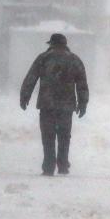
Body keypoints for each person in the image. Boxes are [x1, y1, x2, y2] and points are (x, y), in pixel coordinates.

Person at [20, 33, 89, 176]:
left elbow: (31, 78)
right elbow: (82, 84)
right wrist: (83, 103)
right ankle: (63, 165)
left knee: (48, 136)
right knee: (64, 136)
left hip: (47, 105)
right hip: (66, 106)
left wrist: (25, 96)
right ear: (65, 44)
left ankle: (48, 167)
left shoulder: (43, 58)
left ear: (51, 44)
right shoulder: (74, 60)